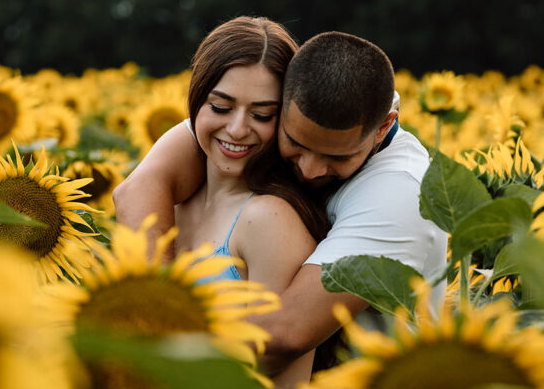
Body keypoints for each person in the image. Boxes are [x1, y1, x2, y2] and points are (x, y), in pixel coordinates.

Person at [114, 29, 448, 367]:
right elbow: (140, 188)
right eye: (296, 144)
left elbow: (288, 330)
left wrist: (154, 344)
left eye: (338, 157)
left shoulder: (401, 193)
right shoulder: (251, 120)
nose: (310, 170)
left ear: (383, 127)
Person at [133, 16, 343, 389]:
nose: (237, 129)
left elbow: (292, 383)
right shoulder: (172, 205)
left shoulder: (267, 218)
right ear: (196, 104)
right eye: (221, 107)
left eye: (263, 114)